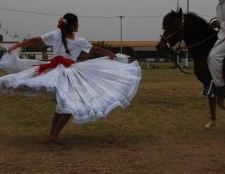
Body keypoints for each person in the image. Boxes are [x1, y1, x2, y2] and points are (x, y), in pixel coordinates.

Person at [0, 13, 141, 143]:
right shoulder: (76, 40)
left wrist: (15, 46)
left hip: (57, 70)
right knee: (69, 105)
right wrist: (111, 53)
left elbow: (35, 39)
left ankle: (53, 134)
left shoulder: (57, 35)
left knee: (64, 103)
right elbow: (95, 49)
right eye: (77, 24)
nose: (78, 26)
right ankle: (53, 135)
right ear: (73, 25)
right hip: (64, 72)